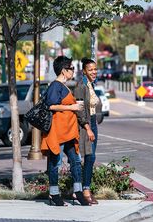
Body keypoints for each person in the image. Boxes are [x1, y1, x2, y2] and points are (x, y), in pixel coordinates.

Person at [41, 56, 93, 206]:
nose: (73, 70)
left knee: (76, 162)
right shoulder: (55, 86)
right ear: (64, 71)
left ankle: (77, 192)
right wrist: (72, 107)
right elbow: (50, 105)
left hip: (69, 132)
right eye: (71, 68)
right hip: (58, 132)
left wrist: (74, 106)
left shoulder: (63, 86)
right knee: (55, 163)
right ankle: (54, 194)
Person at [74, 57, 102, 205]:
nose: (94, 72)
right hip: (86, 125)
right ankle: (84, 190)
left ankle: (85, 188)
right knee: (88, 157)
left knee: (91, 158)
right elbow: (79, 110)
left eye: (95, 69)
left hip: (92, 123)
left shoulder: (90, 85)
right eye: (90, 69)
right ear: (84, 71)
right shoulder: (81, 86)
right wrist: (87, 127)